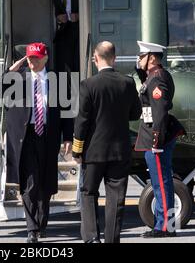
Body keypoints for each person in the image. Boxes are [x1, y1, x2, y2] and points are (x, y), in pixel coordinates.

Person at [71, 41, 141, 243]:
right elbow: (135, 113)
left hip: (94, 152)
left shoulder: (88, 85)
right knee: (116, 199)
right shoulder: (127, 83)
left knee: (88, 193)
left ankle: (92, 237)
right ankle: (112, 240)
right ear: (115, 58)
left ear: (95, 58)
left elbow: (81, 122)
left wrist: (77, 151)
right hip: (120, 151)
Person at [4, 43, 73, 243]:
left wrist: (68, 136)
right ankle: (31, 228)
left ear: (45, 58)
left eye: (36, 58)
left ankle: (42, 224)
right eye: (29, 58)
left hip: (48, 135)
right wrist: (10, 71)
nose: (32, 62)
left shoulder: (57, 80)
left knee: (45, 183)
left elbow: (66, 111)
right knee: (30, 183)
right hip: (26, 136)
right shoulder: (17, 78)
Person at [134, 41, 186, 238]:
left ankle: (164, 227)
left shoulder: (157, 80)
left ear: (153, 58)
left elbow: (160, 112)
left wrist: (157, 141)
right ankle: (164, 225)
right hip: (154, 136)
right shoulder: (153, 77)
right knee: (161, 183)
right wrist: (138, 67)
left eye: (142, 56)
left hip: (156, 138)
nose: (139, 59)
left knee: (161, 184)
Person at [50, 0, 80, 73]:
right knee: (64, 63)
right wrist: (58, 18)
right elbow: (57, 11)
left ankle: (78, 88)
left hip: (80, 29)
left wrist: (80, 16)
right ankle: (66, 88)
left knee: (77, 61)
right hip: (64, 29)